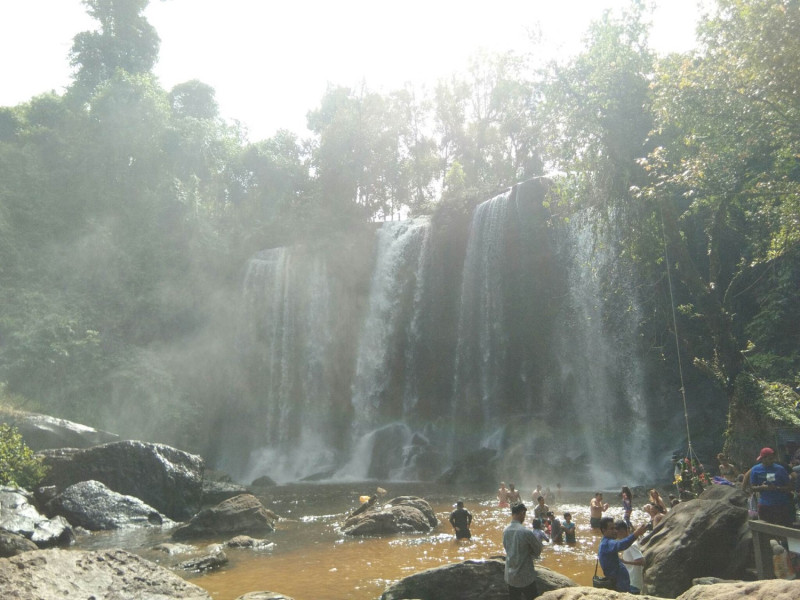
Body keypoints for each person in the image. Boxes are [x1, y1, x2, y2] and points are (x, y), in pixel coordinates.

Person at [597, 516, 648, 594]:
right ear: (604, 530)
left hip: (623, 584)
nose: (615, 531)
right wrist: (636, 534)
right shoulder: (607, 543)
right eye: (611, 529)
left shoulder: (605, 542)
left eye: (615, 528)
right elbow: (620, 545)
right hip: (619, 585)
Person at [503, 503, 543, 600]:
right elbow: (538, 550)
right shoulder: (526, 532)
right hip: (526, 575)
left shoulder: (505, 530)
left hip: (511, 575)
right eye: (524, 514)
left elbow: (506, 548)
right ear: (522, 513)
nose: (524, 517)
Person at [749, 447, 794, 526]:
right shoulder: (755, 469)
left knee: (782, 530)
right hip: (765, 505)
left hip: (781, 504)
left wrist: (777, 488)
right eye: (770, 459)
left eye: (773, 458)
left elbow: (790, 487)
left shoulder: (780, 469)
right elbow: (752, 487)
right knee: (767, 530)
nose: (772, 461)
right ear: (763, 459)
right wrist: (762, 487)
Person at [617, 520, 645, 594]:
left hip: (633, 582)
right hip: (631, 580)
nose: (617, 535)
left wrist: (624, 561)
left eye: (619, 532)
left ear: (625, 530)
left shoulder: (632, 545)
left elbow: (642, 561)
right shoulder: (627, 544)